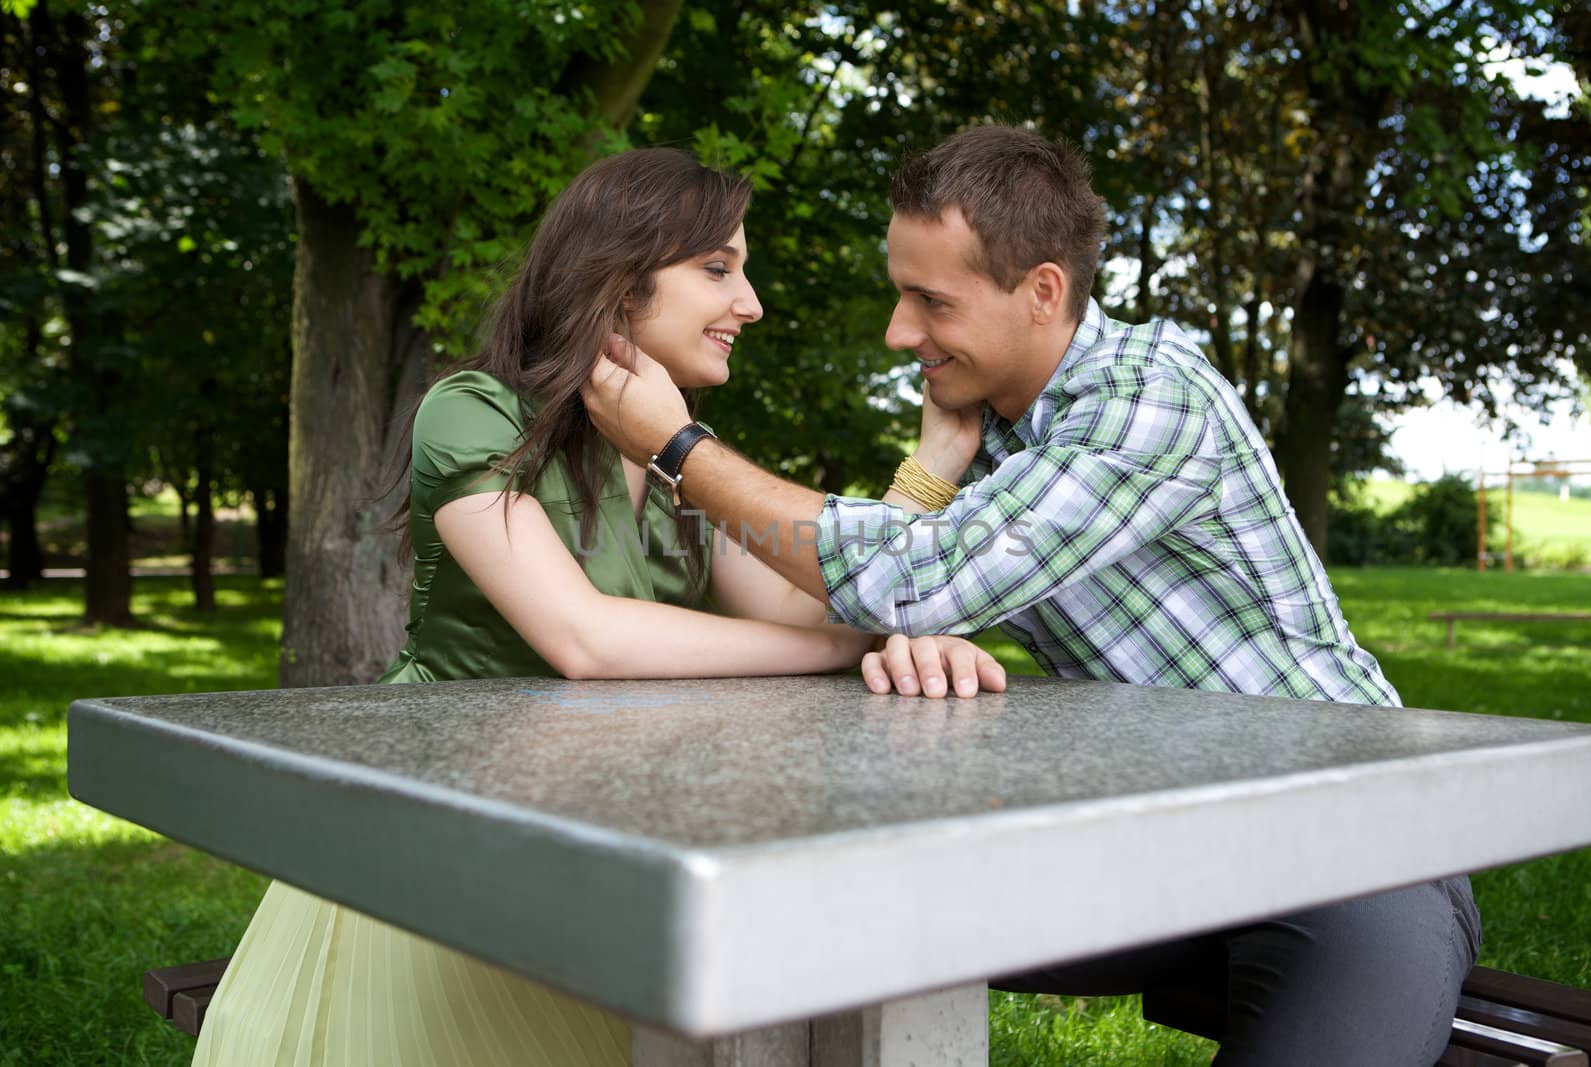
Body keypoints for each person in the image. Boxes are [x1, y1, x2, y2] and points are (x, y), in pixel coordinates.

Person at [582, 126, 1482, 1066]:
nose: (900, 332)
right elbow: (892, 591)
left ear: (1043, 290)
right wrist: (917, 614)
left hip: (1358, 851)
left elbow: (911, 574)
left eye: (930, 300)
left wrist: (679, 448)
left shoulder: (1146, 397)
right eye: (902, 294)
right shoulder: (999, 435)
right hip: (1175, 851)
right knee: (822, 903)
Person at [192, 147, 1004, 1067]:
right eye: (717, 268)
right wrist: (842, 652)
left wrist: (931, 468)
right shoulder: (470, 410)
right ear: (617, 283)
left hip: (606, 841)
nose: (752, 302)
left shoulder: (678, 456)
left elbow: (804, 606)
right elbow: (585, 637)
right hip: (443, 847)